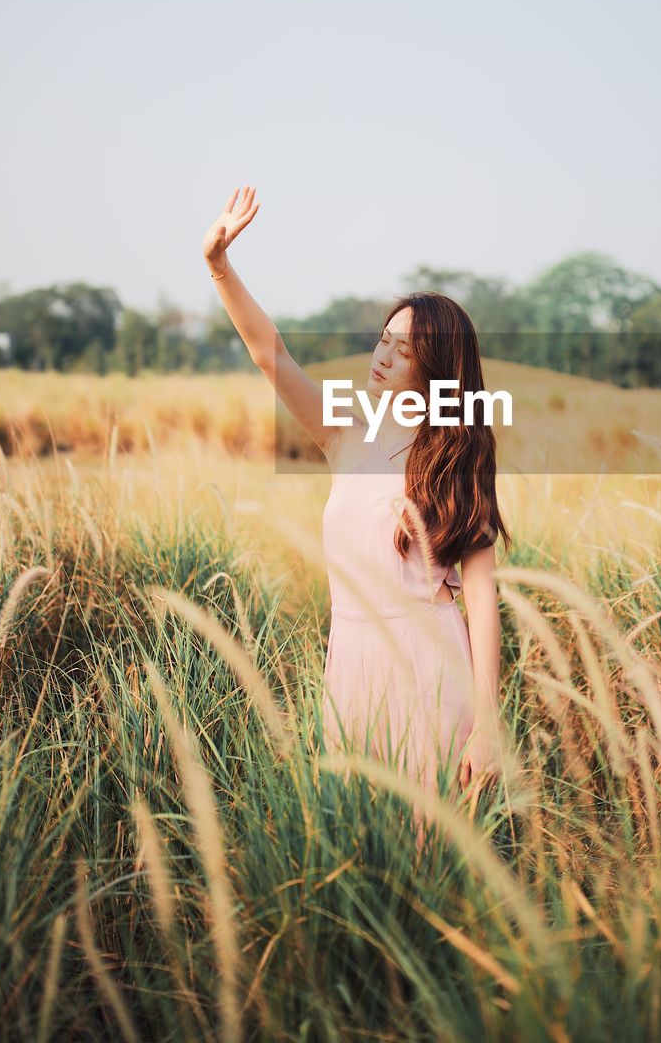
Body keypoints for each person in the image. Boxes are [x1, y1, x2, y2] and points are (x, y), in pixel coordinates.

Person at [202, 186, 511, 851]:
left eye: (404, 350)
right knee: (352, 854)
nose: (382, 355)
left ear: (437, 368)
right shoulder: (345, 431)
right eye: (382, 340)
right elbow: (271, 355)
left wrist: (487, 724)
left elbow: (481, 596)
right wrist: (219, 266)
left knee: (428, 856)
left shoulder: (456, 456)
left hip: (431, 674)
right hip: (351, 670)